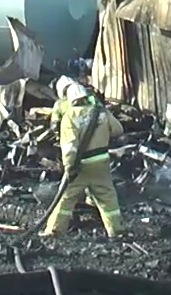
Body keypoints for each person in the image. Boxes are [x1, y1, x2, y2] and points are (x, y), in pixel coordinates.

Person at [42, 76, 125, 239]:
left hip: (81, 165)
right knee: (107, 197)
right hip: (101, 161)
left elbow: (69, 147)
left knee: (66, 196)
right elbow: (118, 130)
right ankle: (116, 231)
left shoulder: (70, 117)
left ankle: (55, 230)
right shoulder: (100, 111)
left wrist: (69, 167)